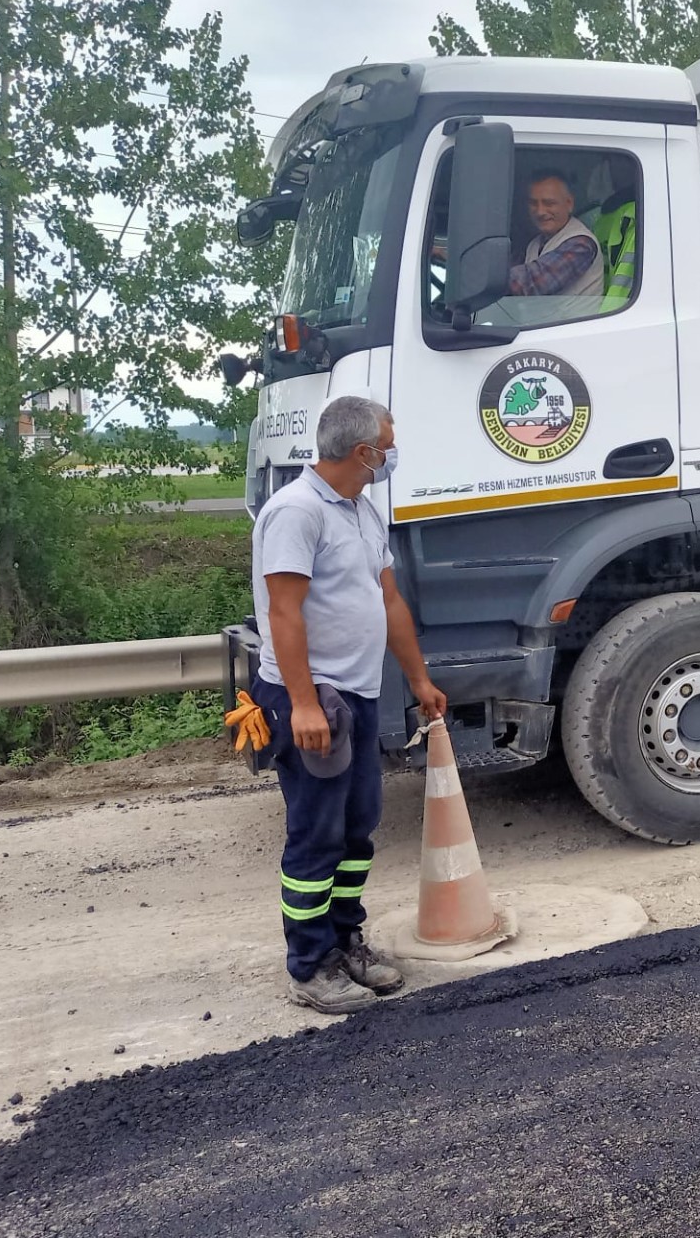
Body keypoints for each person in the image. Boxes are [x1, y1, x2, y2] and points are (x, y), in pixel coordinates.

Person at [250, 395, 448, 1014]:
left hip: (357, 696)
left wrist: (417, 679)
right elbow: (283, 613)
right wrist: (304, 704)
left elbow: (387, 601)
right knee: (316, 832)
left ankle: (345, 940)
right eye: (388, 444)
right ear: (364, 451)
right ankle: (310, 966)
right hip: (311, 699)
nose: (392, 454)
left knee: (358, 826)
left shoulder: (363, 511)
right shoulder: (296, 512)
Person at [475, 170, 606, 325]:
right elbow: (507, 267)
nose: (540, 211)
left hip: (570, 340)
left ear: (569, 204)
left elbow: (530, 282)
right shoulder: (535, 243)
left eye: (549, 203)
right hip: (540, 336)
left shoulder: (581, 243)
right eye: (533, 203)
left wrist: (473, 275)